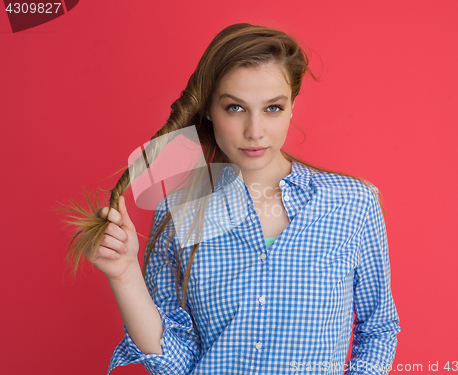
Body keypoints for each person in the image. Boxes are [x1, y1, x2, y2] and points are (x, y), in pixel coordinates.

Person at [62, 23, 401, 375]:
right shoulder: (178, 211)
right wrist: (125, 274)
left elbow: (378, 330)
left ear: (292, 107)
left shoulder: (352, 204)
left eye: (272, 108)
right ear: (209, 109)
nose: (255, 131)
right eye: (235, 108)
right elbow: (175, 364)